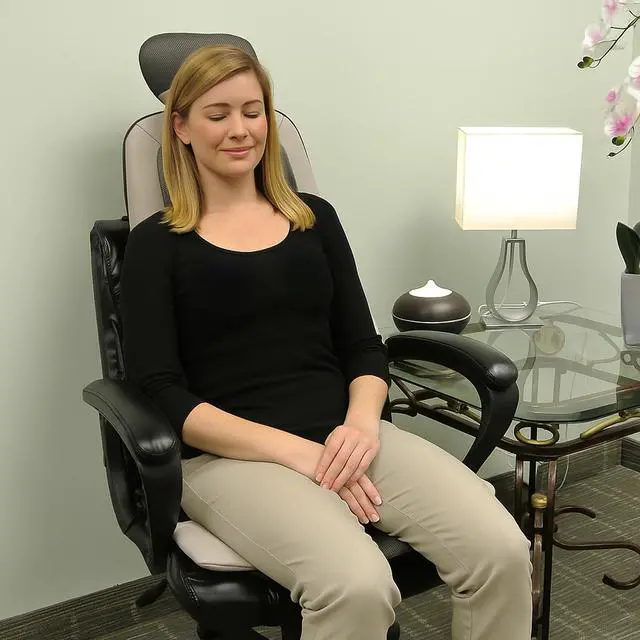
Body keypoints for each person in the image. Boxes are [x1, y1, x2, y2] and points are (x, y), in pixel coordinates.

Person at [120, 44, 533, 640]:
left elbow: (363, 346)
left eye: (253, 112)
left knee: (501, 549)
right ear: (181, 128)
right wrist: (301, 455)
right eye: (218, 114)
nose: (240, 129)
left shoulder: (314, 218)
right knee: (355, 585)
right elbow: (161, 392)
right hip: (230, 459)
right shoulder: (155, 244)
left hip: (346, 436)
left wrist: (360, 429)